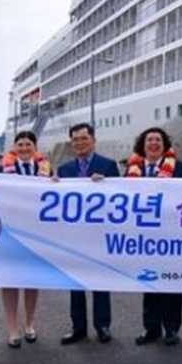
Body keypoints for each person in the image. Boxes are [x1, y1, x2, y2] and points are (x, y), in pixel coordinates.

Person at [55, 123, 119, 345]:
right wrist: (52, 186)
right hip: (74, 236)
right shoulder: (64, 170)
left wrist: (107, 185)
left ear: (93, 140)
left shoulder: (108, 166)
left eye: (84, 139)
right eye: (75, 140)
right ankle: (78, 327)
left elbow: (120, 198)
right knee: (75, 284)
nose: (79, 143)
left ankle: (102, 326)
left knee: (100, 282)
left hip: (99, 235)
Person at [128, 127, 182, 346]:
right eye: (149, 140)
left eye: (157, 140)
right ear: (142, 145)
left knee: (172, 283)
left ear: (164, 144)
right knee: (149, 283)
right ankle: (151, 328)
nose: (153, 143)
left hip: (171, 236)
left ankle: (172, 328)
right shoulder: (133, 169)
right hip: (145, 237)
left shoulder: (178, 167)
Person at [0, 130, 52, 348]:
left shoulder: (46, 169)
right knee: (9, 281)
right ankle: (12, 328)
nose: (24, 148)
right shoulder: (2, 170)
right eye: (20, 144)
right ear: (14, 147)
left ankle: (29, 324)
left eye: (28, 144)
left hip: (37, 233)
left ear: (34, 147)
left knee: (31, 280)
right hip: (9, 232)